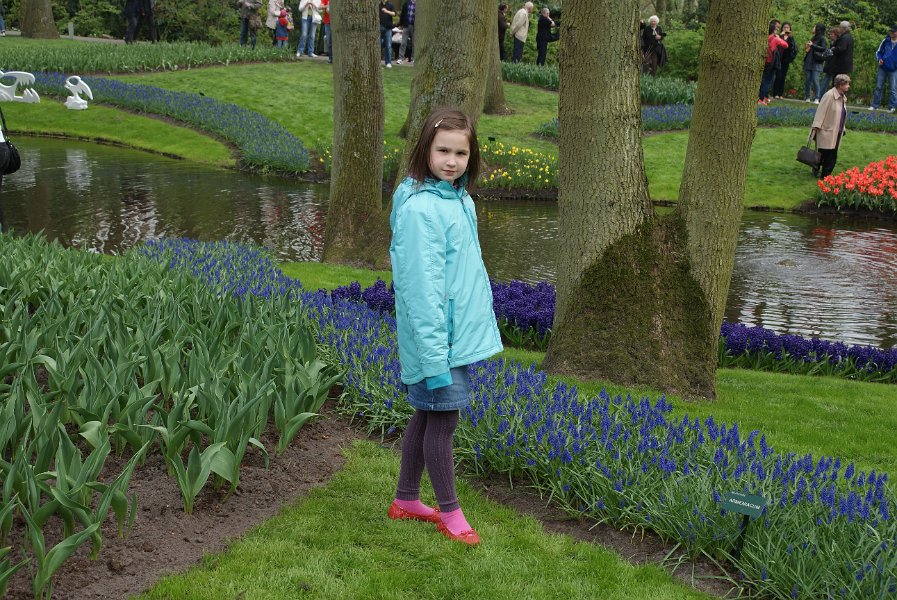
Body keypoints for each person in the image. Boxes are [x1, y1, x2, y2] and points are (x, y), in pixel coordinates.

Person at [387, 107, 503, 547]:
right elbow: (422, 293)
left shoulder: (457, 200)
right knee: (444, 419)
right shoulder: (422, 211)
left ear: (472, 157)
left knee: (427, 411)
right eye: (443, 151)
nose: (451, 161)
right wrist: (435, 359)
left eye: (461, 153)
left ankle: (406, 500)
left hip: (452, 336)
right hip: (438, 341)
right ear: (425, 151)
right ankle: (451, 513)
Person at [810, 74, 850, 178]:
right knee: (824, 152)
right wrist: (816, 126)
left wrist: (843, 128)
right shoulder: (829, 95)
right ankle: (817, 169)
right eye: (847, 84)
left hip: (837, 131)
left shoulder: (842, 97)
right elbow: (820, 111)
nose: (848, 86)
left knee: (832, 154)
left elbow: (841, 114)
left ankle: (826, 175)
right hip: (827, 130)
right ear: (840, 85)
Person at [758, 20, 789, 105]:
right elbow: (786, 45)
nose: (778, 29)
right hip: (771, 63)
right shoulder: (775, 38)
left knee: (765, 79)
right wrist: (781, 37)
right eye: (777, 28)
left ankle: (764, 97)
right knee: (768, 81)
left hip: (765, 61)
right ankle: (761, 98)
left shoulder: (766, 37)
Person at [869, 26, 897, 112]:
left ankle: (892, 107)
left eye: (893, 31)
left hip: (894, 70)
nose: (891, 33)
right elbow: (878, 52)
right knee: (878, 87)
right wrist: (879, 59)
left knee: (893, 89)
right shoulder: (885, 41)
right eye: (891, 31)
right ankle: (875, 105)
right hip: (882, 68)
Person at [822, 21, 854, 91]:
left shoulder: (844, 38)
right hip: (844, 64)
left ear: (843, 28)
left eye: (840, 27)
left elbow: (841, 48)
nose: (839, 28)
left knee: (838, 82)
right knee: (840, 82)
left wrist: (834, 49)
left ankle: (836, 96)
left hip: (841, 65)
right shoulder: (849, 36)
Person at [772, 22, 797, 99]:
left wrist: (790, 38)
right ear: (782, 28)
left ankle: (780, 94)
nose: (786, 29)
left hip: (786, 60)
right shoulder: (779, 36)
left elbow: (792, 48)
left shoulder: (791, 38)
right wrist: (781, 35)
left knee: (783, 76)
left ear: (790, 29)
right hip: (778, 59)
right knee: (778, 75)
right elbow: (777, 44)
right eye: (784, 27)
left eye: (787, 27)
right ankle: (775, 93)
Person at [803, 23, 827, 102]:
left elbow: (823, 48)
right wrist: (807, 46)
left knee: (815, 79)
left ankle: (817, 97)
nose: (813, 28)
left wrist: (812, 45)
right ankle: (807, 97)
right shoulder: (813, 37)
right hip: (809, 60)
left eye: (815, 27)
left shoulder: (822, 38)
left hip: (816, 61)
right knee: (808, 79)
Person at [379, 0, 397, 68]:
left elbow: (394, 14)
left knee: (388, 45)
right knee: (379, 45)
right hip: (379, 27)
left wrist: (387, 11)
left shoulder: (390, 5)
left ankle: (388, 62)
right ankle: (378, 62)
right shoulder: (378, 5)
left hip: (388, 28)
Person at [397, 0, 415, 64]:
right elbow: (402, 14)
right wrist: (400, 24)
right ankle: (401, 58)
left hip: (414, 26)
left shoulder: (419, 5)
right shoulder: (406, 3)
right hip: (406, 25)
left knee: (414, 43)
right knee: (403, 42)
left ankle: (413, 58)